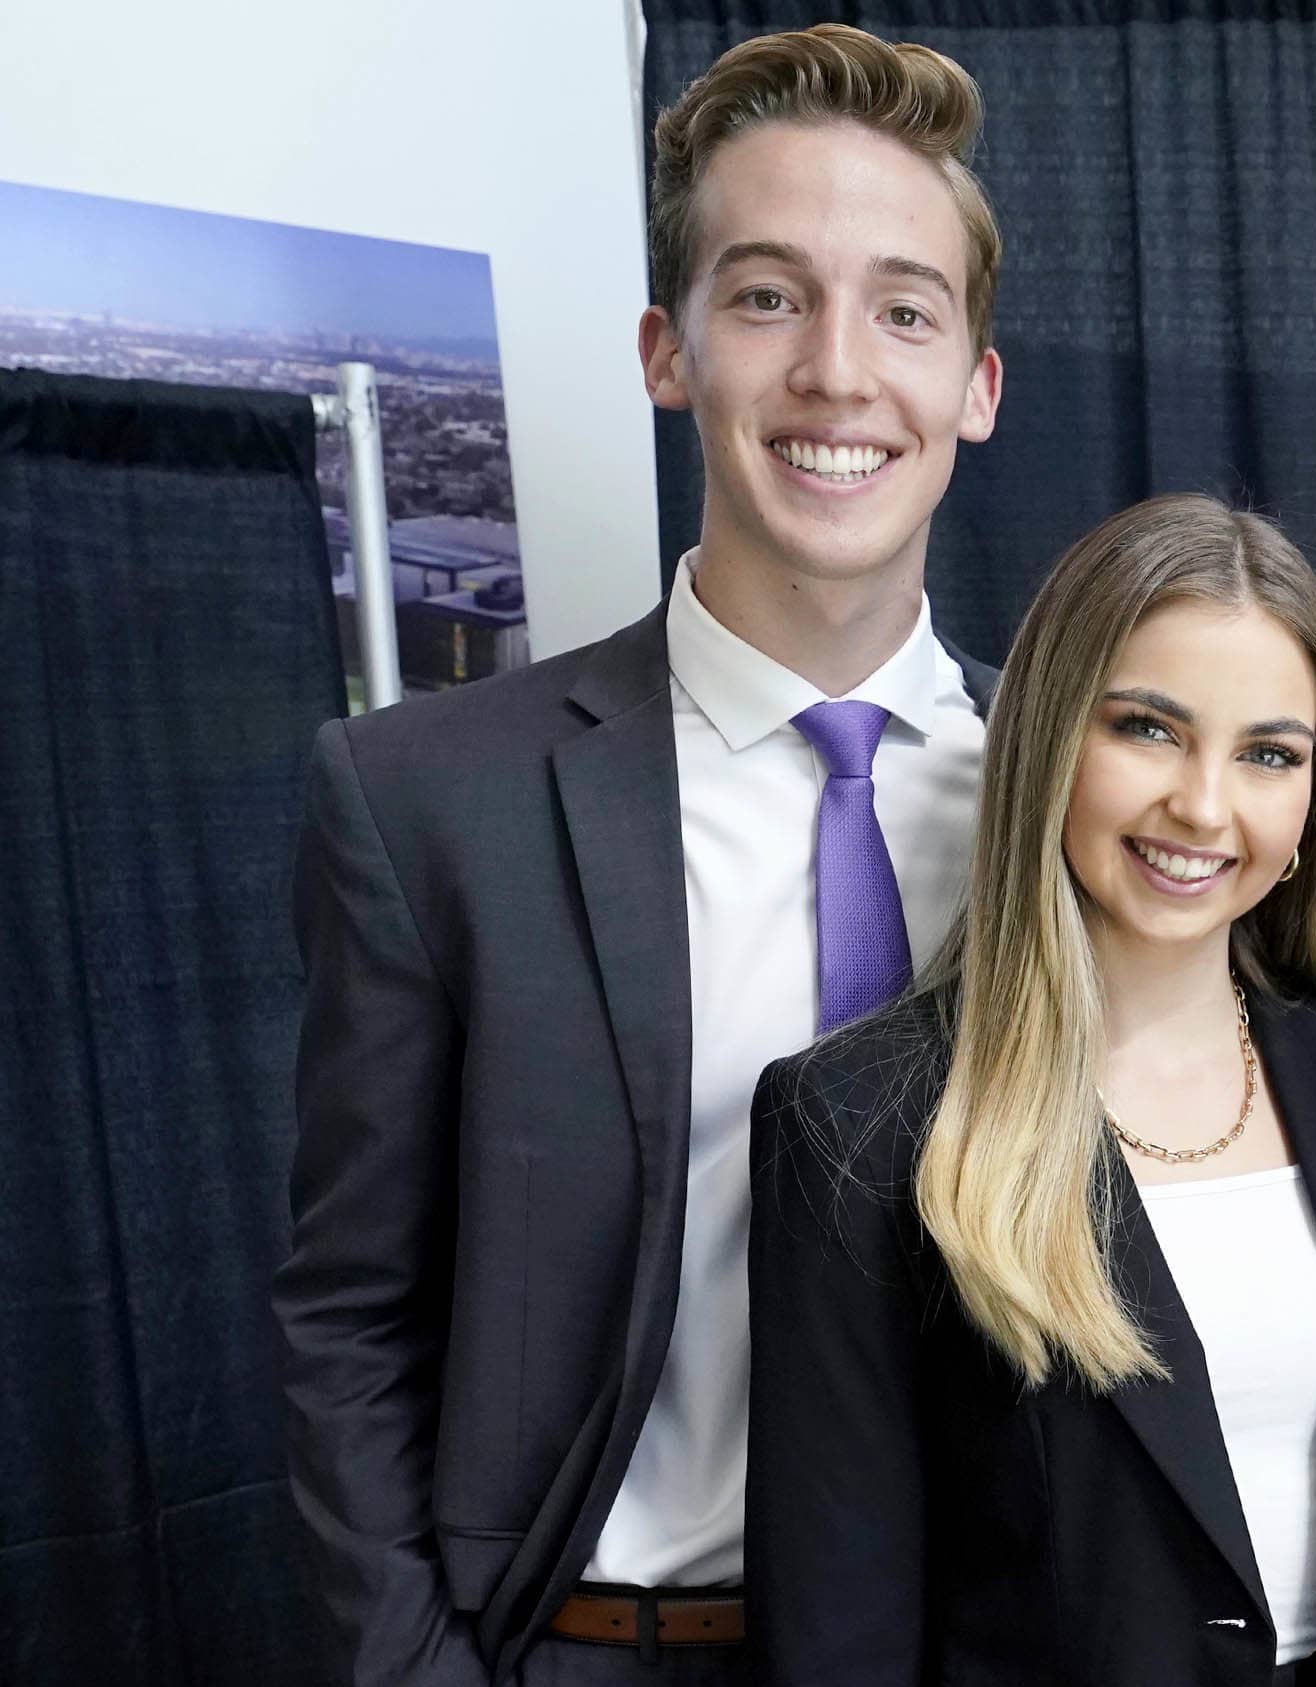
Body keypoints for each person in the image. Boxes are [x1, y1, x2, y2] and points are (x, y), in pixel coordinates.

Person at [273, 25, 1004, 1683]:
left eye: (903, 307)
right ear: (669, 351)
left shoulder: (1099, 800)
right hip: (623, 1641)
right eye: (767, 297)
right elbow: (348, 1323)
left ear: (975, 382)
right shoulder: (426, 803)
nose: (836, 370)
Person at [748, 494, 1316, 1687]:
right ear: (1051, 733)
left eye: (1270, 753)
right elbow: (836, 1627)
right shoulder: (861, 1121)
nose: (1205, 807)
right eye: (1150, 730)